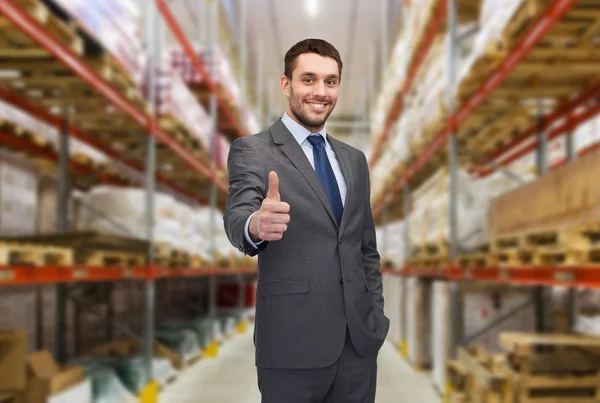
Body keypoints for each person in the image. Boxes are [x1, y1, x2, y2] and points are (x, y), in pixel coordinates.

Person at [224, 38, 389, 403]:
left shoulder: (354, 160)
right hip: (291, 344)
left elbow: (365, 248)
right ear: (287, 85)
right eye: (309, 79)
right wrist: (255, 224)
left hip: (358, 347)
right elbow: (237, 214)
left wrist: (375, 319)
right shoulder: (254, 149)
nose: (321, 91)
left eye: (330, 82)